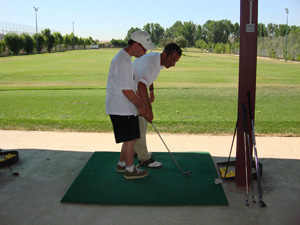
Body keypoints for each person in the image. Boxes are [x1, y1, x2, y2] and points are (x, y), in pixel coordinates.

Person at [105, 30, 155, 179]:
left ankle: (122, 164)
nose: (145, 53)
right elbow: (127, 91)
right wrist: (142, 108)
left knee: (131, 137)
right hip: (120, 106)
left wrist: (141, 105)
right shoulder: (124, 61)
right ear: (136, 45)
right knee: (130, 138)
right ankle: (130, 169)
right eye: (144, 48)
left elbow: (129, 87)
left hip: (122, 106)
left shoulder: (125, 57)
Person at [133, 43, 182, 168]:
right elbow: (141, 84)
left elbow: (148, 79)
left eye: (176, 61)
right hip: (131, 93)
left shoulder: (158, 60)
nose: (173, 64)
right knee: (140, 125)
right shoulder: (151, 63)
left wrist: (152, 91)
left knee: (140, 124)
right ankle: (143, 158)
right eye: (172, 60)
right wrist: (149, 110)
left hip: (136, 91)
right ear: (165, 54)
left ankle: (136, 150)